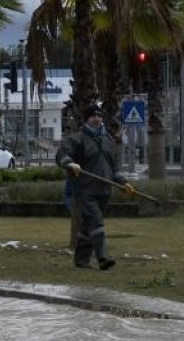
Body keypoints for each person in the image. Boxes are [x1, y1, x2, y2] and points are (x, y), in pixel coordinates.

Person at [55, 104, 136, 270]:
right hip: (85, 190)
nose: (97, 119)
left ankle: (81, 260)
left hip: (105, 190)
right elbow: (61, 155)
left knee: (88, 225)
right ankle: (103, 257)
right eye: (93, 116)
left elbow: (115, 167)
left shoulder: (109, 140)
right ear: (86, 120)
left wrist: (123, 183)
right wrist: (70, 164)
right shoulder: (77, 139)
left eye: (99, 116)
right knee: (96, 222)